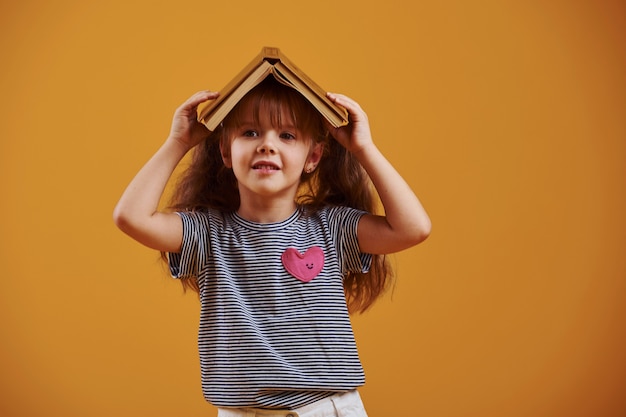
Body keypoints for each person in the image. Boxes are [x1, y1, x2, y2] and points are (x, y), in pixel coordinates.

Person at [113, 77, 431, 416]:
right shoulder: (207, 233)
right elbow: (131, 217)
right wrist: (178, 142)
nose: (266, 145)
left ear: (313, 157)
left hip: (328, 409)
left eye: (287, 135)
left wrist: (364, 148)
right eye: (250, 133)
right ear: (225, 151)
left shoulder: (332, 227)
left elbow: (413, 228)